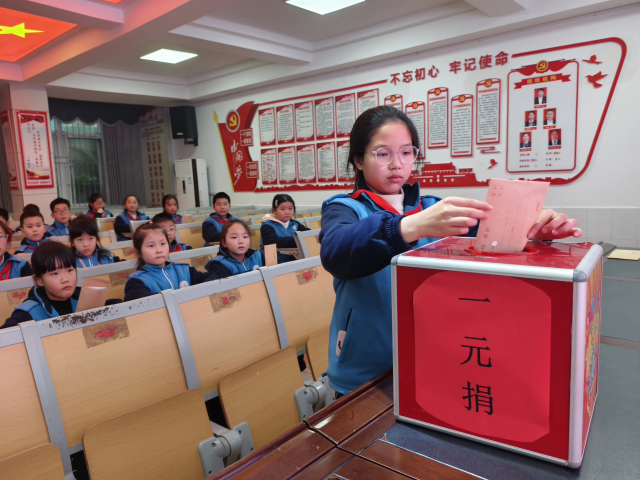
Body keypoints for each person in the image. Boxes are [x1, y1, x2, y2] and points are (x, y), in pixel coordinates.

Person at [318, 105, 581, 395]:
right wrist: (408, 226)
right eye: (383, 154)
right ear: (358, 159)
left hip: (434, 360)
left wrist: (532, 232)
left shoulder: (433, 207)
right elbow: (336, 252)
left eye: (406, 152)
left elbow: (492, 239)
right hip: (368, 368)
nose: (397, 164)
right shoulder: (344, 208)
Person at [123, 223, 219, 301]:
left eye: (162, 243)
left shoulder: (183, 270)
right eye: (151, 245)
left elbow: (212, 277)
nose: (159, 250)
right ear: (138, 253)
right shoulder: (136, 282)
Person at [260, 194, 310, 264]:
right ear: (274, 210)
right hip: (275, 260)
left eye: (290, 208)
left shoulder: (294, 223)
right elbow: (272, 242)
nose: (287, 212)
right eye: (283, 209)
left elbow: (308, 234)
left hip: (294, 257)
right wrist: (298, 240)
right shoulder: (267, 225)